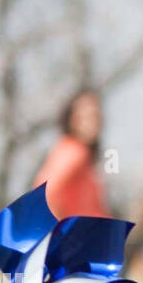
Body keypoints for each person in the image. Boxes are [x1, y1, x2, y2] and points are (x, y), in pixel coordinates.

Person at [33, 89, 109, 219]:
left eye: (96, 116)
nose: (94, 123)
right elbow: (45, 194)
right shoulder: (74, 151)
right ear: (72, 120)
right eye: (87, 117)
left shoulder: (82, 154)